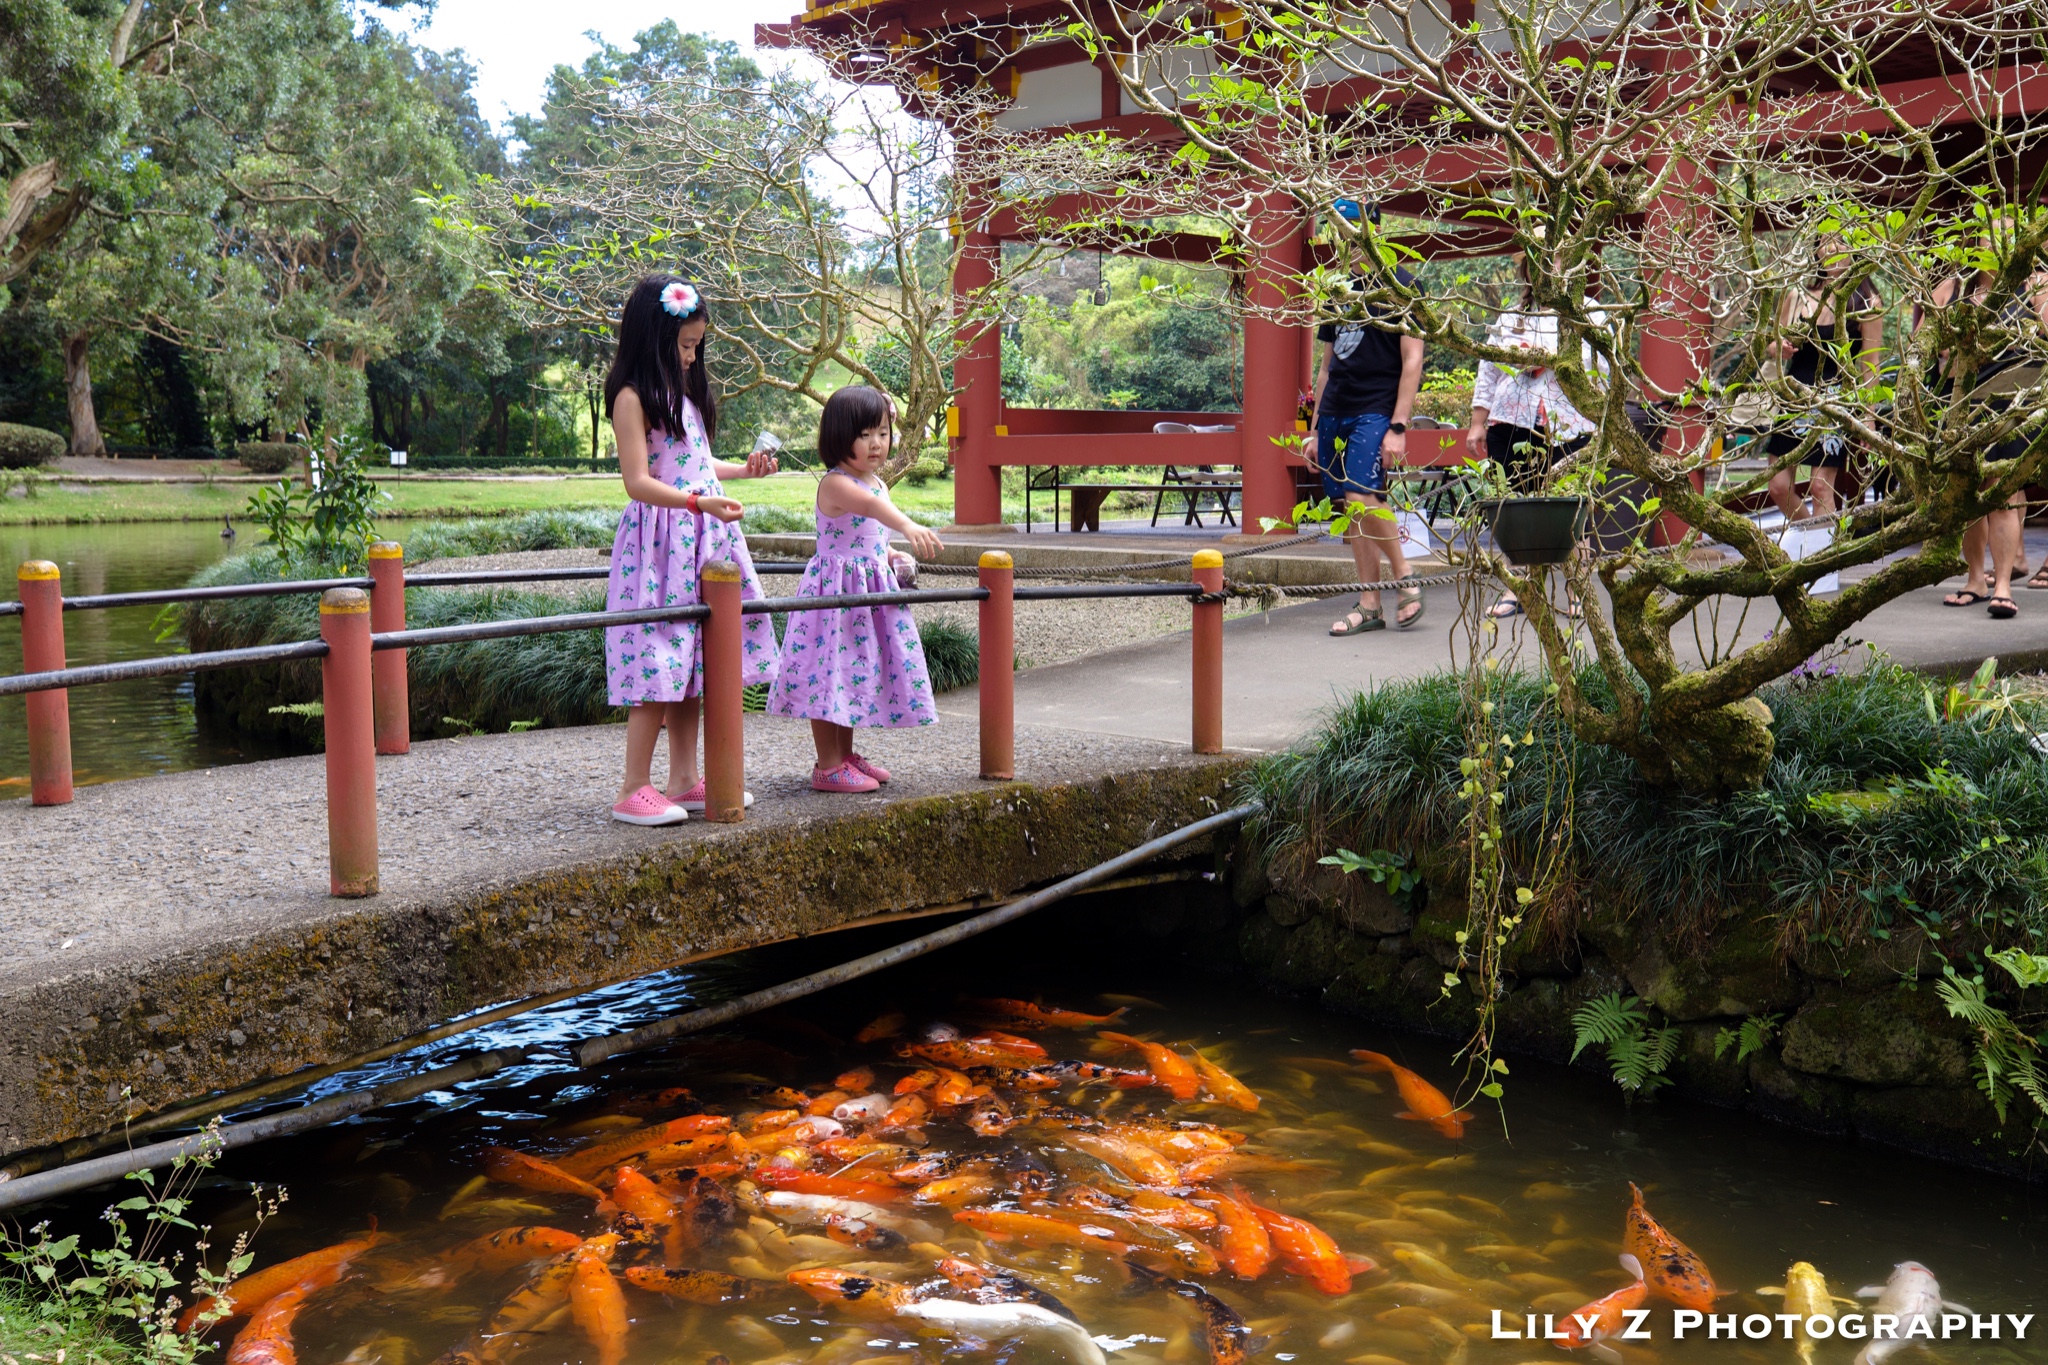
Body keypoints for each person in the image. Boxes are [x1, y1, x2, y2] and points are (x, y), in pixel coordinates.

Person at [602, 274, 780, 825]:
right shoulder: (632, 399)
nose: (691, 355)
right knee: (658, 659)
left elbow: (698, 466)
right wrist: (697, 503)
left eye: (697, 345)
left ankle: (682, 779)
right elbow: (637, 481)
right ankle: (634, 787)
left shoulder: (686, 399)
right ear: (654, 339)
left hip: (699, 539)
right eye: (684, 345)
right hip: (661, 543)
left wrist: (741, 472)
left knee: (693, 665)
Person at [768, 385, 943, 793]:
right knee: (830, 671)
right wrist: (908, 524)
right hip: (836, 597)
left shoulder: (876, 482)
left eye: (881, 432)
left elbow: (870, 535)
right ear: (838, 437)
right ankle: (827, 764)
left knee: (849, 673)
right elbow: (868, 509)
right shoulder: (837, 483)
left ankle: (845, 756)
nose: (876, 443)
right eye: (864, 435)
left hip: (863, 594)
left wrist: (892, 553)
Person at [1310, 201, 1424, 636]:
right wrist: (1316, 429)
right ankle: (1369, 603)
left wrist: (1398, 426)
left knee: (1363, 497)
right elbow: (1325, 367)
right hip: (1336, 409)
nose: (1347, 238)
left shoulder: (1401, 285)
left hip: (1377, 408)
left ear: (1375, 229)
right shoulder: (1336, 289)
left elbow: (1412, 360)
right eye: (1338, 229)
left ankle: (1404, 575)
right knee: (1349, 509)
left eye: (1354, 228)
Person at [1929, 223, 2048, 620]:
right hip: (1962, 400)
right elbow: (1927, 345)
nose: (1997, 243)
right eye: (1989, 233)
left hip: (2011, 400)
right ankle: (1974, 579)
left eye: (2008, 234)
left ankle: (2001, 585)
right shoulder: (1955, 289)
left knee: (2001, 492)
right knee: (1967, 493)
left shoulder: (2033, 285)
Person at [1466, 273, 1599, 618]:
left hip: (1569, 422)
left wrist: (1548, 356)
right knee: (1518, 508)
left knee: (1574, 508)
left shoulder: (1589, 312)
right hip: (1512, 421)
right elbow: (1488, 368)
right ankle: (1522, 588)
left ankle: (1578, 590)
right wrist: (1477, 423)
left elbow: (1598, 364)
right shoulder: (1511, 317)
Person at [1763, 244, 1884, 522]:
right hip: (1793, 397)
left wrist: (1869, 416)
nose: (1832, 247)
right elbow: (1771, 344)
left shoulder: (1867, 302)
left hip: (1834, 399)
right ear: (1816, 250)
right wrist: (1776, 348)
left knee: (1820, 487)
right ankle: (1810, 543)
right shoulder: (1796, 296)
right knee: (1778, 485)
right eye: (1825, 240)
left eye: (1842, 239)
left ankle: (1819, 560)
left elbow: (1870, 364)